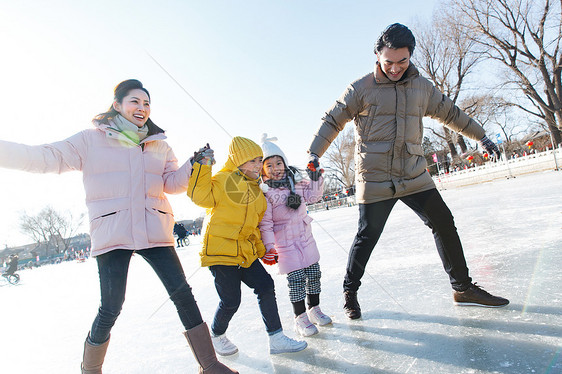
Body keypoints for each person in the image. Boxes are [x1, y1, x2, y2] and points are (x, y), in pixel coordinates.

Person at [0, 79, 236, 373]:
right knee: (111, 306)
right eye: (135, 102)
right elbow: (49, 156)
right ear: (117, 105)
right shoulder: (90, 139)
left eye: (147, 103)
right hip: (113, 230)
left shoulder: (159, 144)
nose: (142, 108)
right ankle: (91, 369)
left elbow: (171, 184)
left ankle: (210, 364)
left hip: (154, 228)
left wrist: (194, 163)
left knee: (182, 293)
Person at [307, 24, 509, 320]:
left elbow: (451, 113)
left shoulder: (421, 87)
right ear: (377, 56)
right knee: (368, 236)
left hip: (413, 172)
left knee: (443, 222)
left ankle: (462, 288)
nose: (395, 68)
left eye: (402, 61)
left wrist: (482, 136)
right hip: (375, 177)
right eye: (389, 62)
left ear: (410, 57)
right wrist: (314, 153)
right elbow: (333, 119)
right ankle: (350, 292)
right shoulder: (360, 88)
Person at [187, 136, 307, 356]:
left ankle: (276, 337)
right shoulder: (223, 180)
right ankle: (217, 334)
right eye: (252, 160)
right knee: (231, 300)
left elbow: (254, 228)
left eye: (260, 160)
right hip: (220, 253)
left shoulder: (258, 193)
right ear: (239, 161)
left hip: (245, 253)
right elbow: (199, 195)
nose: (258, 165)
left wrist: (263, 251)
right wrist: (202, 167)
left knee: (265, 286)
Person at [258, 134, 332, 337]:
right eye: (269, 165)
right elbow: (265, 223)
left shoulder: (297, 183)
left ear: (285, 163)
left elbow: (314, 196)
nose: (276, 168)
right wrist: (268, 247)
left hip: (305, 238)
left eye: (278, 163)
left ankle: (314, 309)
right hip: (285, 243)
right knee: (297, 279)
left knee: (314, 273)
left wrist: (315, 177)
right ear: (263, 170)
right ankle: (300, 317)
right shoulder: (264, 194)